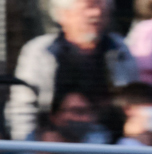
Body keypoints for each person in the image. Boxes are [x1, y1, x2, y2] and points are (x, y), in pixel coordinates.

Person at [7, 0, 141, 142]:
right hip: (54, 144)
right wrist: (30, 145)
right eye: (89, 7)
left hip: (110, 143)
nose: (97, 13)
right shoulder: (41, 51)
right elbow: (22, 106)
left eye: (102, 6)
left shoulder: (119, 49)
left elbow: (133, 101)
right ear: (63, 14)